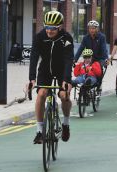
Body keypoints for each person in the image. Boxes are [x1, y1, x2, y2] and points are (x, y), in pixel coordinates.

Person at [29, 11, 74, 144]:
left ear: (59, 27)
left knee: (64, 95)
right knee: (42, 93)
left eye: (53, 28)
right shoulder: (40, 37)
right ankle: (39, 131)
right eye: (47, 27)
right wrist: (32, 79)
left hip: (62, 71)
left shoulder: (66, 38)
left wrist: (66, 80)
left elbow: (68, 59)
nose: (49, 31)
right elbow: (34, 57)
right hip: (45, 70)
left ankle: (65, 124)